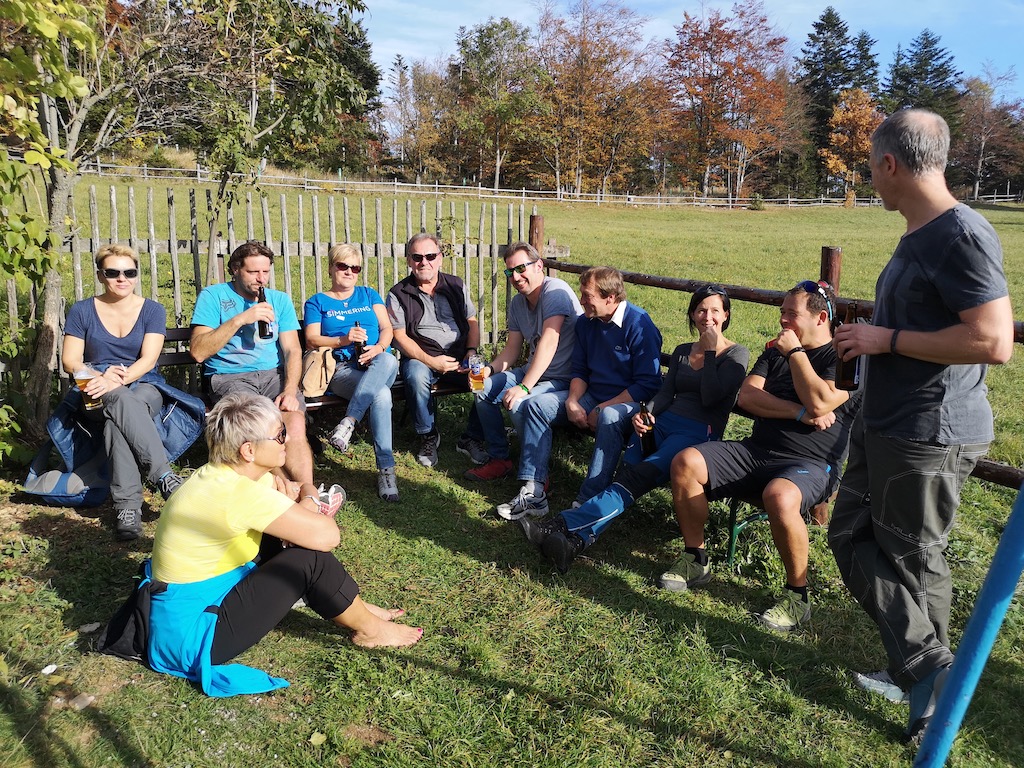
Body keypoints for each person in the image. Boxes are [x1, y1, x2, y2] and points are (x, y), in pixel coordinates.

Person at [829, 109, 1013, 743]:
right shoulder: (921, 232)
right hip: (886, 419)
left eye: (870, 168)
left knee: (913, 558)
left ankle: (928, 692)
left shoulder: (961, 233)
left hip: (928, 430)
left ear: (890, 164)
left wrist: (887, 339)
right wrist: (876, 338)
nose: (870, 180)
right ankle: (925, 667)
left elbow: (993, 341)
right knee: (850, 535)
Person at [146, 393, 421, 697]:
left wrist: (298, 503)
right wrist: (310, 495)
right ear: (249, 450)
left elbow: (286, 501)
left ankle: (356, 607)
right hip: (195, 637)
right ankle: (371, 629)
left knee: (284, 536)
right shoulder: (238, 494)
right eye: (279, 435)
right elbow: (328, 536)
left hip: (179, 617)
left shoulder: (222, 475)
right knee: (310, 560)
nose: (287, 440)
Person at [665, 281, 860, 632]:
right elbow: (747, 397)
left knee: (780, 495)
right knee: (685, 462)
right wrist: (798, 413)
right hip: (756, 451)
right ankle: (695, 557)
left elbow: (821, 400)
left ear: (820, 318)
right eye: (782, 312)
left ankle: (797, 595)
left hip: (812, 464)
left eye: (791, 314)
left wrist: (796, 353)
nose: (783, 320)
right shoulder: (774, 353)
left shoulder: (844, 359)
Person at [521, 284, 749, 572]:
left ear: (726, 315)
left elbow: (711, 397)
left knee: (636, 478)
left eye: (715, 310)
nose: (708, 317)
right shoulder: (683, 351)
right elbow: (665, 394)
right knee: (626, 477)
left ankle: (558, 525)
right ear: (692, 315)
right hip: (662, 425)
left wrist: (711, 352)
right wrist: (646, 414)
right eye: (701, 310)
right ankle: (576, 543)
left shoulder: (736, 354)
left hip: (695, 435)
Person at [60, 244, 205, 540]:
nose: (122, 278)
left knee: (119, 413)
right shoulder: (82, 310)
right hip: (95, 385)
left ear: (137, 274)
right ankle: (164, 477)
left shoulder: (152, 310)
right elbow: (70, 360)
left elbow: (148, 360)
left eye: (129, 272)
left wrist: (118, 379)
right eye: (113, 272)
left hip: (144, 383)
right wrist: (100, 377)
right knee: (117, 412)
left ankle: (127, 508)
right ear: (100, 275)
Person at [463, 242, 582, 520]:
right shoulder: (518, 303)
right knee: (483, 391)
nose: (515, 277)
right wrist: (489, 371)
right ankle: (500, 459)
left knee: (520, 403)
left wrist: (524, 386)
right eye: (509, 272)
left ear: (539, 266)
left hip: (563, 379)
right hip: (533, 371)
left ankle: (537, 477)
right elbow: (512, 350)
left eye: (521, 268)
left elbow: (549, 342)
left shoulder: (556, 291)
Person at [190, 241, 313, 484]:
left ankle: (309, 492)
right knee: (257, 429)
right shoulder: (213, 296)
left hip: (272, 375)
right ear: (235, 269)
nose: (261, 279)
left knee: (295, 422)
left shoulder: (279, 300)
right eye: (253, 272)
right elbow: (198, 352)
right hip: (230, 375)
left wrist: (290, 390)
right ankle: (290, 490)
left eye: (265, 271)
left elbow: (292, 350)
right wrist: (240, 319)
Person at [304, 244, 401, 502]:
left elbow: (387, 329)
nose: (349, 272)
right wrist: (343, 340)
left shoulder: (368, 295)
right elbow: (312, 339)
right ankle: (386, 470)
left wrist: (378, 347)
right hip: (343, 369)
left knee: (388, 360)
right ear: (330, 268)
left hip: (376, 363)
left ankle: (348, 422)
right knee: (381, 395)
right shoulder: (317, 302)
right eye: (343, 266)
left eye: (355, 268)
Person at [565, 266, 663, 506]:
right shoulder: (585, 323)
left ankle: (589, 499)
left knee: (609, 416)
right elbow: (580, 370)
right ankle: (533, 484)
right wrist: (572, 401)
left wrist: (602, 407)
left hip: (630, 403)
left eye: (587, 296)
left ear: (610, 297)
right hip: (593, 395)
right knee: (538, 406)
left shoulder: (639, 324)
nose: (581, 301)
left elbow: (648, 383)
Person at [387, 232, 486, 468]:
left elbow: (472, 321)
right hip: (421, 357)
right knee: (415, 374)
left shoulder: (456, 285)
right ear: (409, 261)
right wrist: (432, 361)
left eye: (430, 256)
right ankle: (428, 436)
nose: (424, 262)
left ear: (440, 258)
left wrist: (471, 351)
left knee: (484, 377)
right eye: (417, 257)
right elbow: (399, 336)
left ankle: (472, 437)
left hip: (460, 355)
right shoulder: (398, 293)